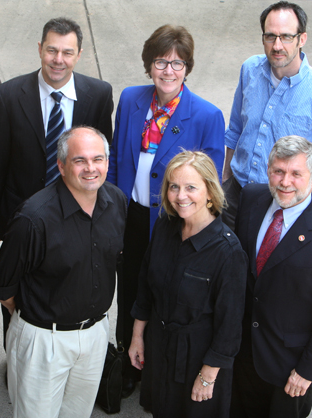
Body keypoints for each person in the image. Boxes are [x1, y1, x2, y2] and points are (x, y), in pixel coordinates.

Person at [108, 24, 225, 396]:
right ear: (149, 65)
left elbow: (210, 184)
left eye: (178, 63)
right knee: (129, 291)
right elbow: (114, 161)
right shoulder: (130, 100)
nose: (169, 71)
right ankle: (129, 365)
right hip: (132, 216)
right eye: (161, 62)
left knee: (164, 295)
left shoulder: (207, 116)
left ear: (188, 68)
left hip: (174, 223)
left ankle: (157, 371)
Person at [0, 126, 126, 418]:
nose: (91, 168)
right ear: (61, 165)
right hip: (43, 340)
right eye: (80, 160)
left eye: (98, 159)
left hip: (95, 334)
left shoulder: (116, 202)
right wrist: (32, 319)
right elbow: (2, 284)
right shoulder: (33, 218)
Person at [231, 136, 312, 418]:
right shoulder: (251, 197)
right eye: (278, 171)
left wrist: (308, 370)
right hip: (241, 354)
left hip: (289, 369)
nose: (285, 181)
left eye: (295, 174)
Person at [128, 151, 246, 418]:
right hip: (159, 348)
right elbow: (146, 288)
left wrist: (208, 375)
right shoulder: (165, 226)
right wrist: (137, 337)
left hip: (199, 359)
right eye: (174, 187)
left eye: (191, 187)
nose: (181, 196)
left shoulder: (229, 252)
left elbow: (229, 326)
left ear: (209, 191)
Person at [222, 1, 312, 229]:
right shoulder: (249, 70)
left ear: (302, 39)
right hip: (234, 196)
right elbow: (236, 130)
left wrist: (303, 223)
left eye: (286, 37)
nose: (277, 45)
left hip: (281, 209)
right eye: (270, 36)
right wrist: (226, 180)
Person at [0, 17, 114, 241]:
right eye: (51, 50)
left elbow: (104, 159)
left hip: (78, 211)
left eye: (67, 52)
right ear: (40, 49)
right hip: (22, 212)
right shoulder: (8, 95)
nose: (58, 60)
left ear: (79, 54)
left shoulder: (99, 95)